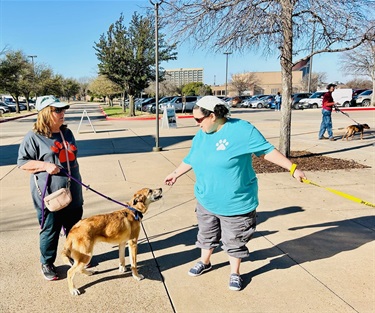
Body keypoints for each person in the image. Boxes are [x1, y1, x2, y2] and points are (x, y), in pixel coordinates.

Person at [164, 96, 306, 291]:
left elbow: (266, 150)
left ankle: (235, 272)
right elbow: (192, 158)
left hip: (236, 201)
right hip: (206, 198)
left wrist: (292, 168)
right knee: (206, 234)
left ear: (212, 116)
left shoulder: (242, 130)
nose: (197, 124)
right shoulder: (202, 134)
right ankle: (205, 261)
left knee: (235, 239)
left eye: (198, 120)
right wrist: (175, 174)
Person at [17, 95, 84, 281]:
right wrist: (45, 166)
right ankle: (47, 262)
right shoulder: (34, 137)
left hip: (73, 190)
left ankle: (73, 255)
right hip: (50, 195)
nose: (63, 113)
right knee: (50, 229)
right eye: (58, 110)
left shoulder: (67, 133)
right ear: (46, 113)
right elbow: (22, 163)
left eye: (63, 110)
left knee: (75, 227)